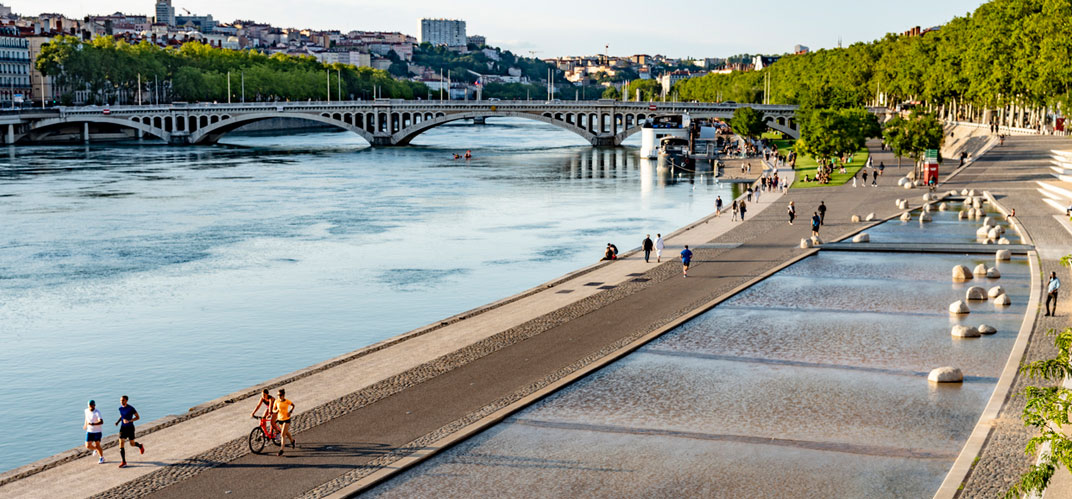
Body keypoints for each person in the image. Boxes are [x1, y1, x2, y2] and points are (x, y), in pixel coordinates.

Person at [115, 395, 145, 468]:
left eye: (123, 400)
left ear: (126, 401)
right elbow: (121, 416)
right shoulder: (120, 408)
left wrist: (130, 420)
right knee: (121, 443)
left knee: (132, 444)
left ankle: (140, 446)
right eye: (121, 400)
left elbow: (138, 417)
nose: (121, 402)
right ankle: (124, 461)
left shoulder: (131, 408)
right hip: (123, 428)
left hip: (130, 428)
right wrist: (118, 422)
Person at [274, 388, 296, 456]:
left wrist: (290, 412)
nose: (279, 396)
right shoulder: (276, 401)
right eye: (278, 395)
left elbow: (293, 405)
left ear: (283, 395)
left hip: (286, 419)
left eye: (280, 395)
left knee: (282, 434)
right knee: (286, 433)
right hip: (280, 419)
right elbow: (273, 410)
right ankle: (292, 441)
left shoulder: (287, 401)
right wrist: (276, 411)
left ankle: (282, 449)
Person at [84, 400, 105, 464]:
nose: (90, 407)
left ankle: (101, 457)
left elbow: (101, 422)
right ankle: (96, 450)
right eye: (89, 405)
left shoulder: (97, 412)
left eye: (92, 405)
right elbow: (86, 418)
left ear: (94, 405)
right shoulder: (86, 410)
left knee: (97, 445)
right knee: (87, 446)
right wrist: (85, 425)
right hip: (89, 431)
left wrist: (93, 424)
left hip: (97, 431)